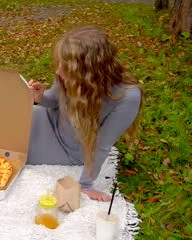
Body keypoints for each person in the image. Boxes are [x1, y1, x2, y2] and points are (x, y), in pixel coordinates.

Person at [27, 25, 143, 202]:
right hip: (49, 120)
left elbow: (101, 145)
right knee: (3, 122)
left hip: (69, 150)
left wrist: (85, 185)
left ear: (88, 72)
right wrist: (40, 97)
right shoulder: (68, 73)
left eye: (64, 67)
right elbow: (52, 102)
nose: (58, 72)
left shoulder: (127, 97)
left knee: (12, 151)